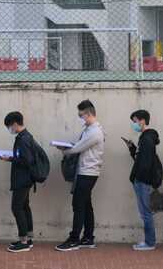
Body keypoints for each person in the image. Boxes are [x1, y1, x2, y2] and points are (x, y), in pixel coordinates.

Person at [55, 100, 105, 252]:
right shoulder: (89, 130)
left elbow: (78, 148)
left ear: (88, 114)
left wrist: (64, 150)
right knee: (86, 205)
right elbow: (80, 146)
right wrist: (69, 147)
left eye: (80, 115)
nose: (80, 118)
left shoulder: (95, 132)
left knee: (78, 205)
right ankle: (88, 238)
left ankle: (74, 239)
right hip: (86, 172)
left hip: (87, 172)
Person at [0, 111, 36, 253]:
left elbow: (27, 160)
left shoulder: (23, 139)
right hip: (26, 179)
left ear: (15, 124)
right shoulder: (26, 136)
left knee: (17, 208)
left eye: (9, 126)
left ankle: (23, 241)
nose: (9, 129)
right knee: (24, 207)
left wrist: (10, 158)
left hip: (22, 179)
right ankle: (28, 238)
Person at [126, 109, 160, 251]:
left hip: (142, 181)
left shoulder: (147, 139)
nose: (134, 124)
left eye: (135, 121)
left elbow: (145, 163)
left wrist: (138, 178)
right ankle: (148, 241)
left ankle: (149, 242)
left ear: (142, 121)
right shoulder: (145, 138)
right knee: (145, 212)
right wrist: (133, 149)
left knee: (146, 212)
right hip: (141, 180)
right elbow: (141, 158)